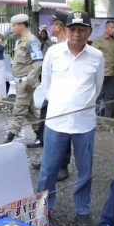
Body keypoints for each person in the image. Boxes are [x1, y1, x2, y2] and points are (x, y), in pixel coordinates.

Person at [37, 11, 104, 226]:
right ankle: (43, 209)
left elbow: (98, 86)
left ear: (89, 31)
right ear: (65, 30)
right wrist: (61, 104)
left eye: (81, 29)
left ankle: (83, 210)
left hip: (84, 123)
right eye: (72, 29)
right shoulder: (54, 53)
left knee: (85, 170)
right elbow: (46, 83)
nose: (76, 33)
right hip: (56, 121)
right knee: (48, 169)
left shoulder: (97, 56)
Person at [30, 12, 72, 183]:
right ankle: (48, 160)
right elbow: (47, 74)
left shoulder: (70, 45)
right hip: (51, 95)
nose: (51, 27)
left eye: (53, 24)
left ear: (60, 26)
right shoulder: (54, 44)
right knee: (46, 129)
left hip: (64, 97)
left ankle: (63, 165)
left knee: (64, 130)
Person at [4, 13, 42, 143]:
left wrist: (30, 82)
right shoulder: (21, 40)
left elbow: (38, 62)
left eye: (14, 25)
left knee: (18, 111)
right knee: (31, 112)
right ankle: (42, 137)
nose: (12, 28)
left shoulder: (32, 40)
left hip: (26, 83)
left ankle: (8, 140)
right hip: (21, 81)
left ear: (21, 25)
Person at [92, 20, 114, 118]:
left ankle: (108, 117)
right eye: (111, 27)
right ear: (106, 28)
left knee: (110, 96)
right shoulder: (98, 40)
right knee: (98, 95)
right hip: (101, 73)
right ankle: (93, 116)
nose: (113, 30)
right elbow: (92, 55)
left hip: (112, 74)